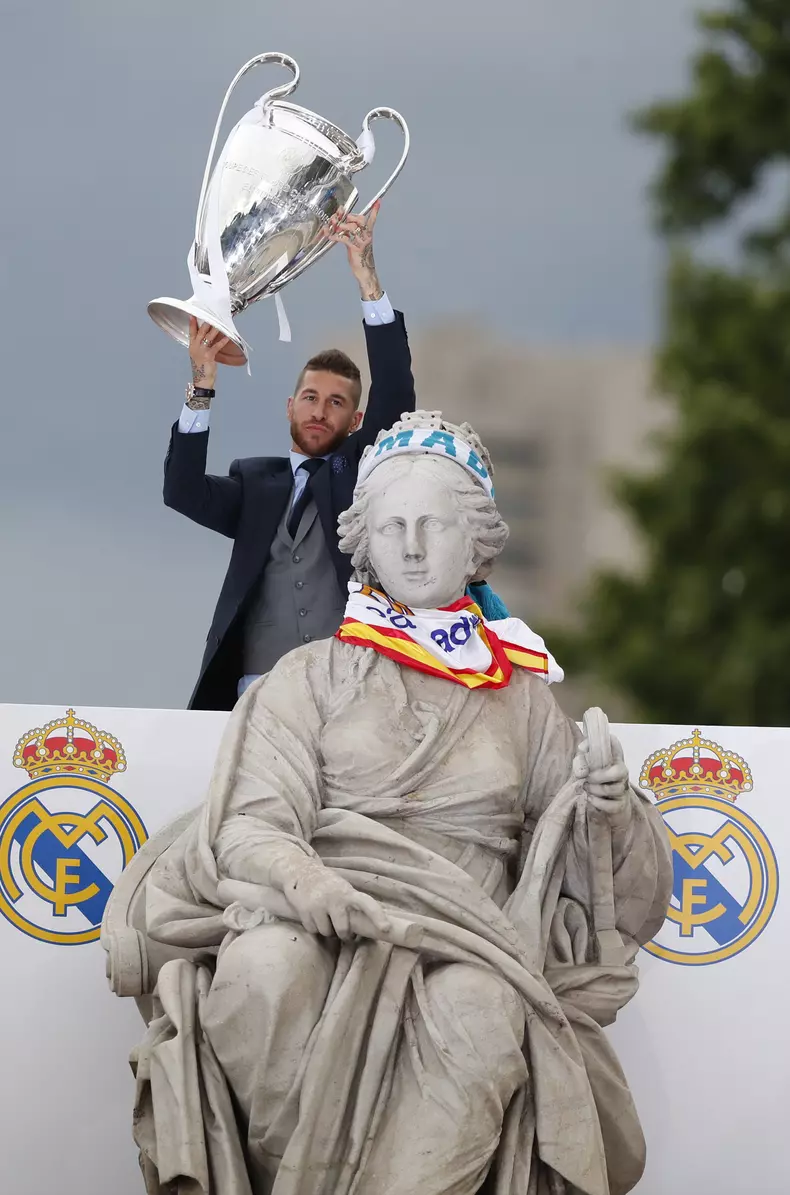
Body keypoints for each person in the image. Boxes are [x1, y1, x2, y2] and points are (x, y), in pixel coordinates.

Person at [127, 412, 672, 1195]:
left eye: (434, 524)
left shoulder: (521, 698)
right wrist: (310, 885)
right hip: (315, 914)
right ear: (366, 543)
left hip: (470, 941)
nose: (412, 545)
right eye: (393, 526)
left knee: (483, 1012)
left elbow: (605, 879)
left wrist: (611, 808)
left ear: (475, 538)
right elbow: (250, 823)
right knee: (262, 973)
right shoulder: (307, 676)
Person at [163, 202, 416, 710]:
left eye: (336, 403)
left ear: (356, 421)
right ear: (289, 407)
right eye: (310, 398)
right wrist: (201, 386)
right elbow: (183, 491)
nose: (320, 412)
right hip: (258, 692)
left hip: (349, 692)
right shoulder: (258, 484)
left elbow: (395, 395)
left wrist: (367, 277)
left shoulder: (359, 478)